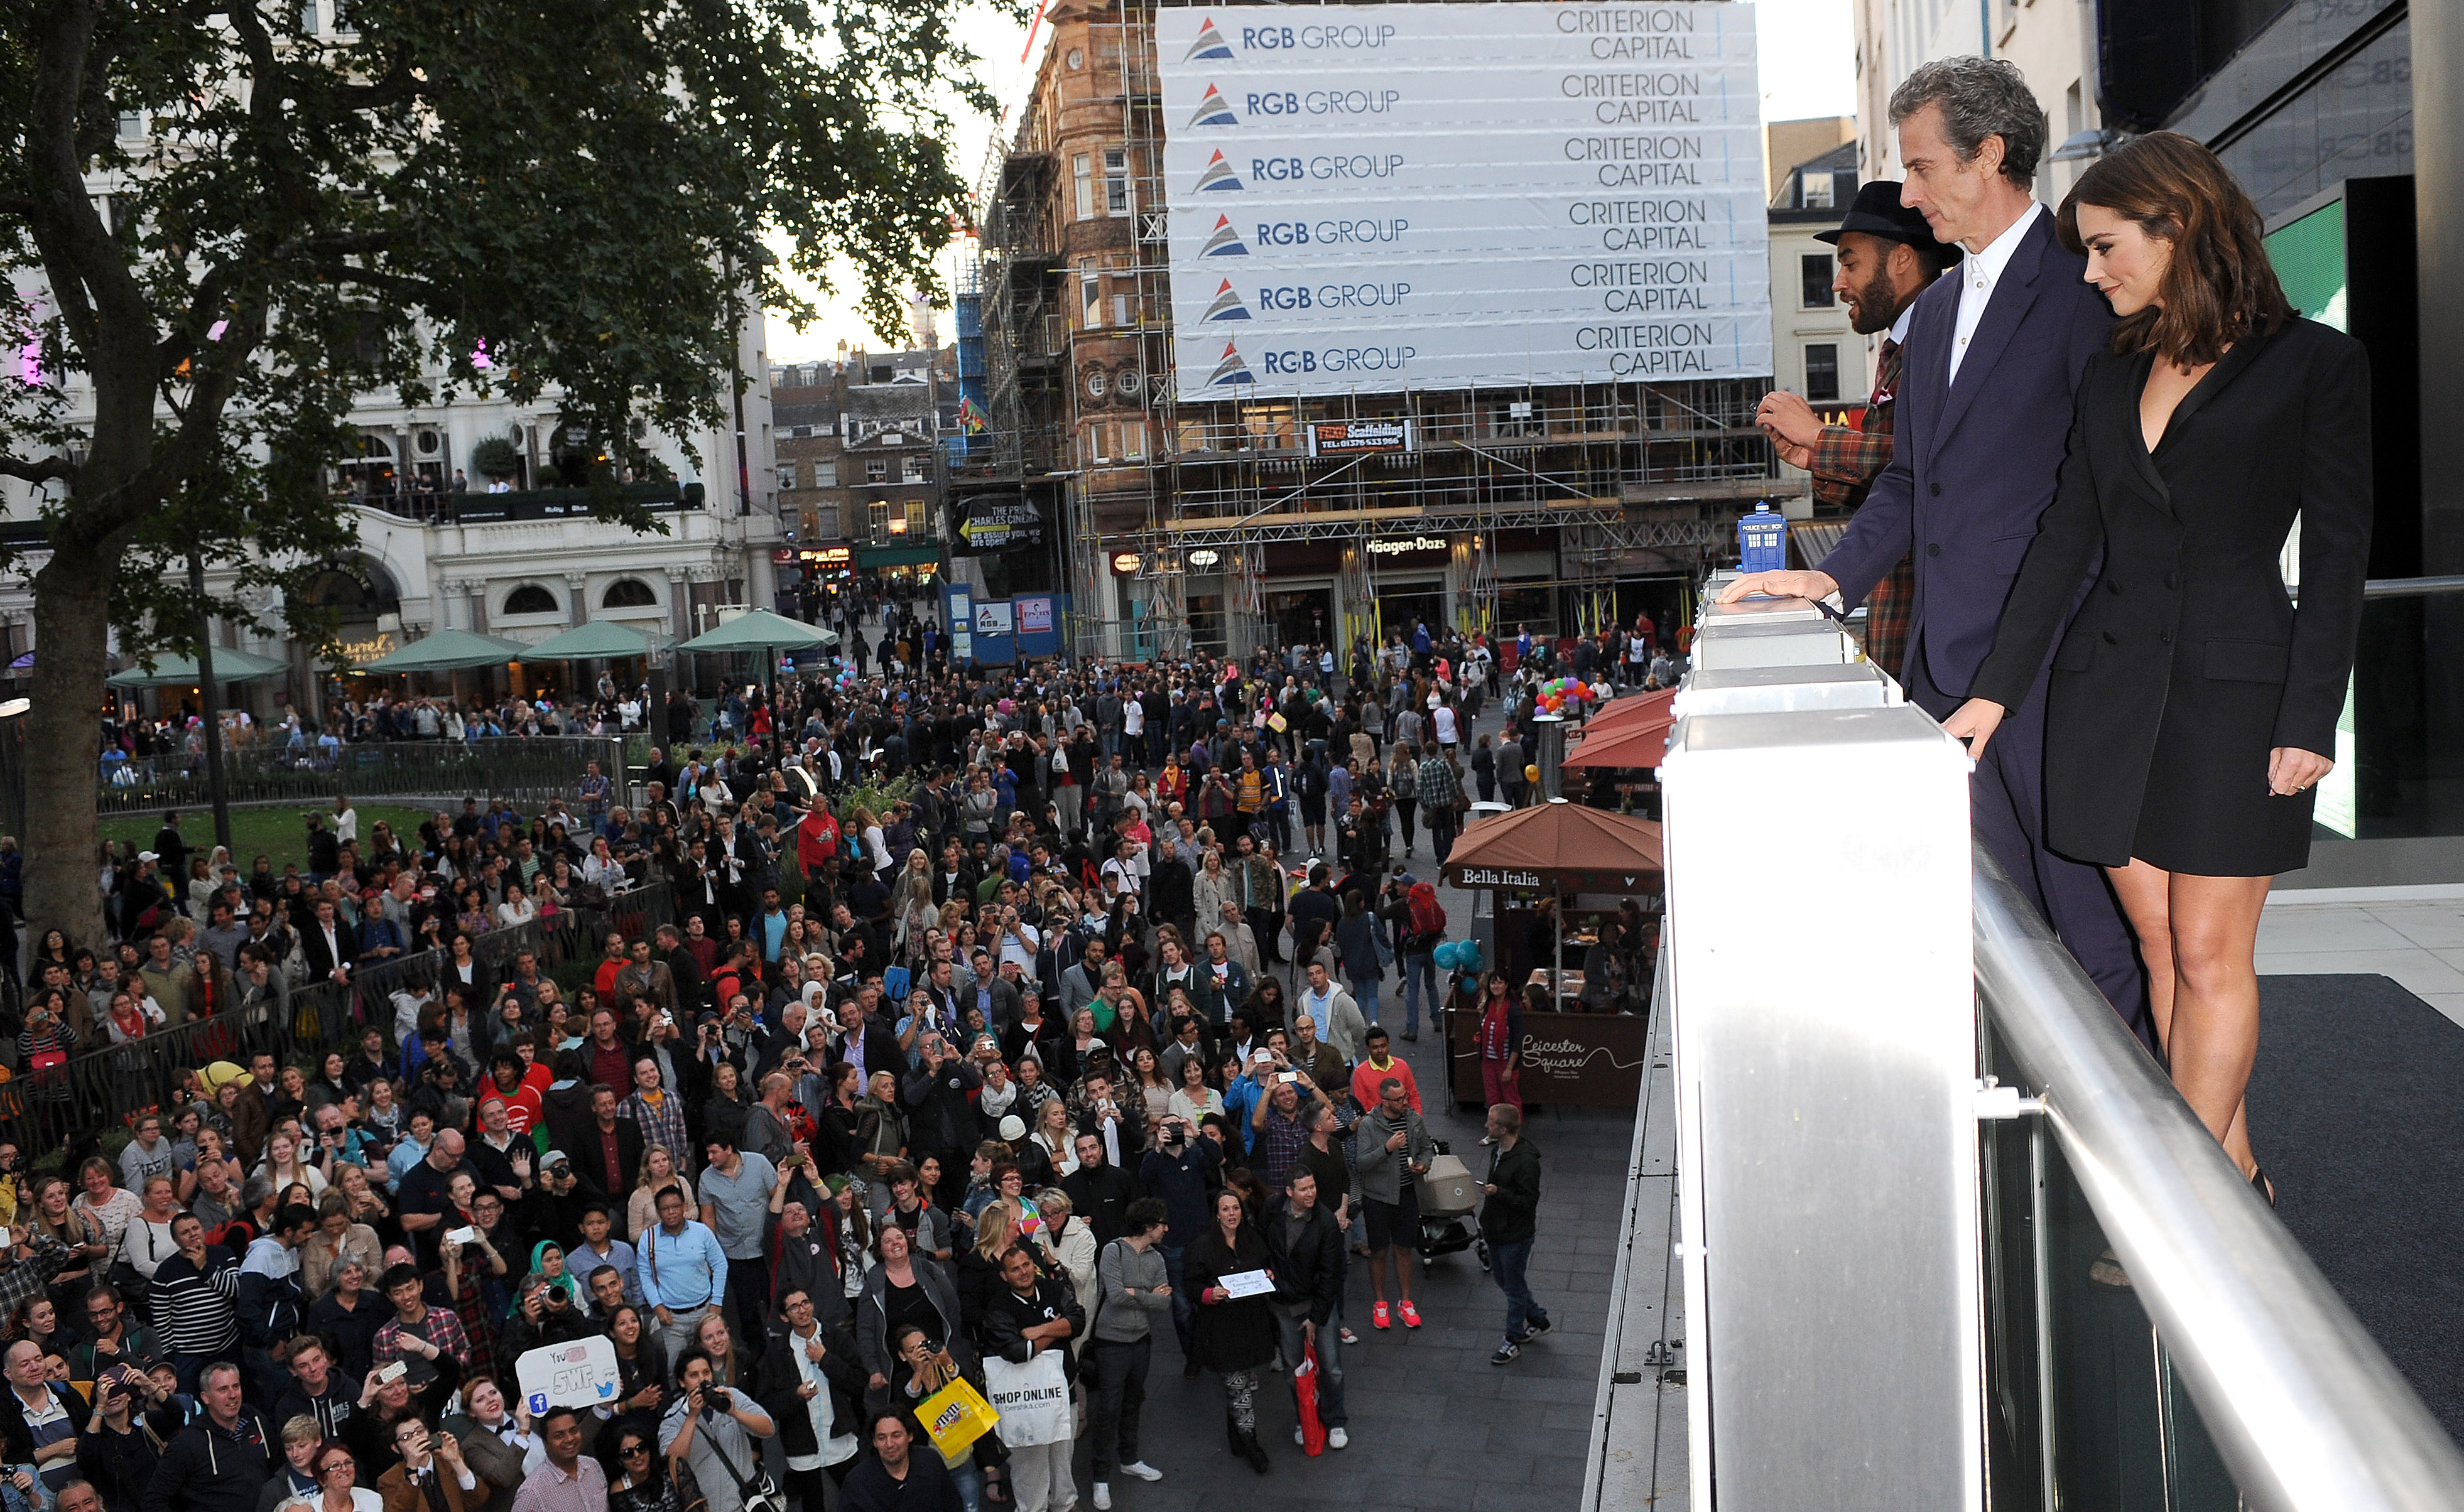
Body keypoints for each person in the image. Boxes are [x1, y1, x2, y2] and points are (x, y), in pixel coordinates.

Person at [1944, 131, 2371, 1201]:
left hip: (2238, 697)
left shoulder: (2313, 364)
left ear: (2174, 225)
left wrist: (2310, 717)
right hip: (2109, 690)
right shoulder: (2112, 368)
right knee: (2156, 946)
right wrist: (1993, 692)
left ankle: (2179, 1201)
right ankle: (2233, 1175)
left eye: (2103, 247)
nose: (2091, 274)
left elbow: (2336, 556)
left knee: (2209, 951)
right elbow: (2064, 536)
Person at [1717, 55, 2145, 1032]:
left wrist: (2031, 668)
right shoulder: (1935, 312)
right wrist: (1826, 581)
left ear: (1986, 156)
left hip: (2055, 680)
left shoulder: (2085, 295)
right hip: (1943, 681)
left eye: (1919, 168)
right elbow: (1910, 482)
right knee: (2000, 946)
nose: (1908, 195)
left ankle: (2140, 1126)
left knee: (2094, 946)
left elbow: (2099, 504)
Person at [1755, 178, 1962, 680]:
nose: (1837, 283)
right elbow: (1899, 486)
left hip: (1933, 634)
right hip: (1906, 628)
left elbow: (1940, 468)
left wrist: (1820, 438)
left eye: (1849, 263)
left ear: (1902, 259)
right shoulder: (1901, 347)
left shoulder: (1944, 343)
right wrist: (1814, 458)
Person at [978, 1246, 1083, 1512]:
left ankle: (1065, 1505)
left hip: (1063, 1392)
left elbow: (1078, 1321)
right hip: (1024, 1401)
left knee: (1063, 1458)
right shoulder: (998, 1308)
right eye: (1015, 1269)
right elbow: (1018, 1352)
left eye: (1027, 1265)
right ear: (1004, 1276)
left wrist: (1040, 1330)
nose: (1024, 1272)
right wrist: (1058, 1329)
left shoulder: (1054, 1289)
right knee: (1030, 1467)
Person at [1082, 1201, 1169, 1511]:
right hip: (1111, 1343)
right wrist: (1146, 1296)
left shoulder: (1157, 1257)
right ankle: (1100, 1477)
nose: (1166, 1229)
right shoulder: (1113, 1251)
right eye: (1161, 1223)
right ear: (1147, 1226)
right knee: (1108, 1408)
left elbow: (1165, 1303)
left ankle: (1129, 1459)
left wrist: (1136, 1293)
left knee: (1134, 1401)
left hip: (1141, 1341)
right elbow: (1117, 1296)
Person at [1183, 1192, 1275, 1476]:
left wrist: (1268, 1274)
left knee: (1240, 1382)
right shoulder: (1203, 1246)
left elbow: (1267, 1264)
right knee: (1238, 1386)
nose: (1232, 1214)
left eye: (1236, 1208)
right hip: (1222, 1328)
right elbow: (1191, 1284)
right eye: (1226, 1209)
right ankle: (1251, 1443)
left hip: (1251, 1323)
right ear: (1217, 1214)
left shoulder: (1253, 1239)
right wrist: (1209, 1294)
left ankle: (1236, 1437)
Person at [753, 1287, 863, 1512]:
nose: (802, 1310)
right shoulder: (777, 1353)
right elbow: (766, 1405)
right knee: (813, 1506)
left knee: (859, 1502)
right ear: (784, 1316)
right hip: (802, 1449)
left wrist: (825, 1360)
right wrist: (796, 1396)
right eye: (794, 1307)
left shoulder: (837, 1338)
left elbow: (859, 1382)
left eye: (805, 1303)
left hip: (841, 1441)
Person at [1261, 1169, 1345, 1450]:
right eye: (1304, 1189)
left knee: (1331, 1366)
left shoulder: (1326, 1222)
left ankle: (1335, 1420)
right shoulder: (1272, 1210)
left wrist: (1316, 1318)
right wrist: (1265, 1268)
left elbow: (1331, 1275)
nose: (1311, 1193)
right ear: (1289, 1192)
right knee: (1293, 1368)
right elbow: (1261, 1243)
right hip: (1284, 1304)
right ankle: (1304, 1418)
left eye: (1313, 1187)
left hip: (1318, 1303)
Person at [139, 1361, 275, 1512]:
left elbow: (279, 1470)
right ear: (205, 1397)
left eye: (236, 1387)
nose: (232, 1395)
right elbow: (153, 1502)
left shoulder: (257, 1421)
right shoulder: (188, 1443)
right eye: (223, 1389)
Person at [658, 1346, 775, 1512]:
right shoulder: (673, 1417)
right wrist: (692, 1418)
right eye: (694, 1375)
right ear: (682, 1382)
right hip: (707, 1507)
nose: (702, 1380)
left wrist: (733, 1412)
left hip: (745, 1503)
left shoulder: (731, 1396)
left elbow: (768, 1429)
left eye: (706, 1373)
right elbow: (673, 1463)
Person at [1353, 1076, 1428, 1332]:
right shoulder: (1368, 1125)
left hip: (1407, 1194)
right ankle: (1380, 1303)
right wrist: (1387, 1148)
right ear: (1384, 1101)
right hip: (1378, 1197)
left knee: (1405, 1249)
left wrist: (1423, 1164)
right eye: (1399, 1100)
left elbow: (1426, 1149)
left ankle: (1406, 1302)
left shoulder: (1414, 1120)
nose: (1405, 1102)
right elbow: (1362, 1162)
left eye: (1405, 1097)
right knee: (1379, 1251)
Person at [1479, 1102, 1550, 1365]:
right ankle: (1538, 1319)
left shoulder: (1526, 1162)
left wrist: (1498, 1193)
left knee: (1514, 1288)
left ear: (1503, 1129)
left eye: (1491, 1123)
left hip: (1515, 1235)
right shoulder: (1499, 1149)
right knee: (1506, 1281)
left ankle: (1513, 1340)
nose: (1486, 1126)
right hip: (1497, 1229)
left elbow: (1528, 1202)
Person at [836, 1412, 964, 1512]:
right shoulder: (857, 1482)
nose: (889, 1444)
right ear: (874, 1442)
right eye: (881, 1438)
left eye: (896, 1436)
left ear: (910, 1436)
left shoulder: (929, 1461)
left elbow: (953, 1505)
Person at [373, 1414, 489, 1512]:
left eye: (420, 1431)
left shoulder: (446, 1461)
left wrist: (457, 1462)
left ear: (428, 1432)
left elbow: (479, 1500)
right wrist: (412, 1471)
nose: (417, 1439)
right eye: (406, 1437)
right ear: (396, 1448)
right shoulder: (388, 1480)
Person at [507, 1407, 603, 1512]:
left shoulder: (593, 1466)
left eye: (574, 1431)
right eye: (559, 1436)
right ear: (546, 1443)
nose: (570, 1439)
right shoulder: (532, 1492)